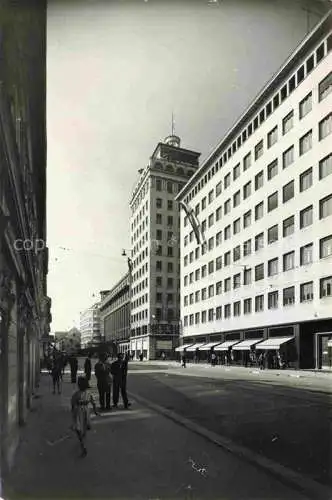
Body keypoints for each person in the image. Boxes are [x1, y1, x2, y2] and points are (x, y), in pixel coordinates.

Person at [71, 376, 99, 457]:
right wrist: (95, 411)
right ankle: (83, 440)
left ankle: (82, 444)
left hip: (79, 411)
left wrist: (73, 413)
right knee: (84, 426)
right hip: (86, 410)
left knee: (78, 427)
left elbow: (73, 404)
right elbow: (93, 403)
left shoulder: (76, 394)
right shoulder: (89, 393)